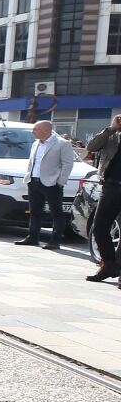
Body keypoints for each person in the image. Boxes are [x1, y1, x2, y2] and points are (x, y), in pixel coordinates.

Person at [17, 120, 75, 251]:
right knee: (35, 211)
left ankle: (55, 241)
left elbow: (67, 164)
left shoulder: (62, 144)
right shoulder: (35, 144)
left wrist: (60, 181)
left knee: (57, 213)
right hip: (34, 181)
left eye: (35, 129)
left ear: (46, 130)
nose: (33, 132)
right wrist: (29, 177)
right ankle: (32, 237)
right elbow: (32, 162)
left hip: (51, 183)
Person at [84, 115, 121, 283]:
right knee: (99, 228)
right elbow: (92, 146)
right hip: (111, 186)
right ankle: (109, 264)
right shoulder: (112, 134)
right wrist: (111, 129)